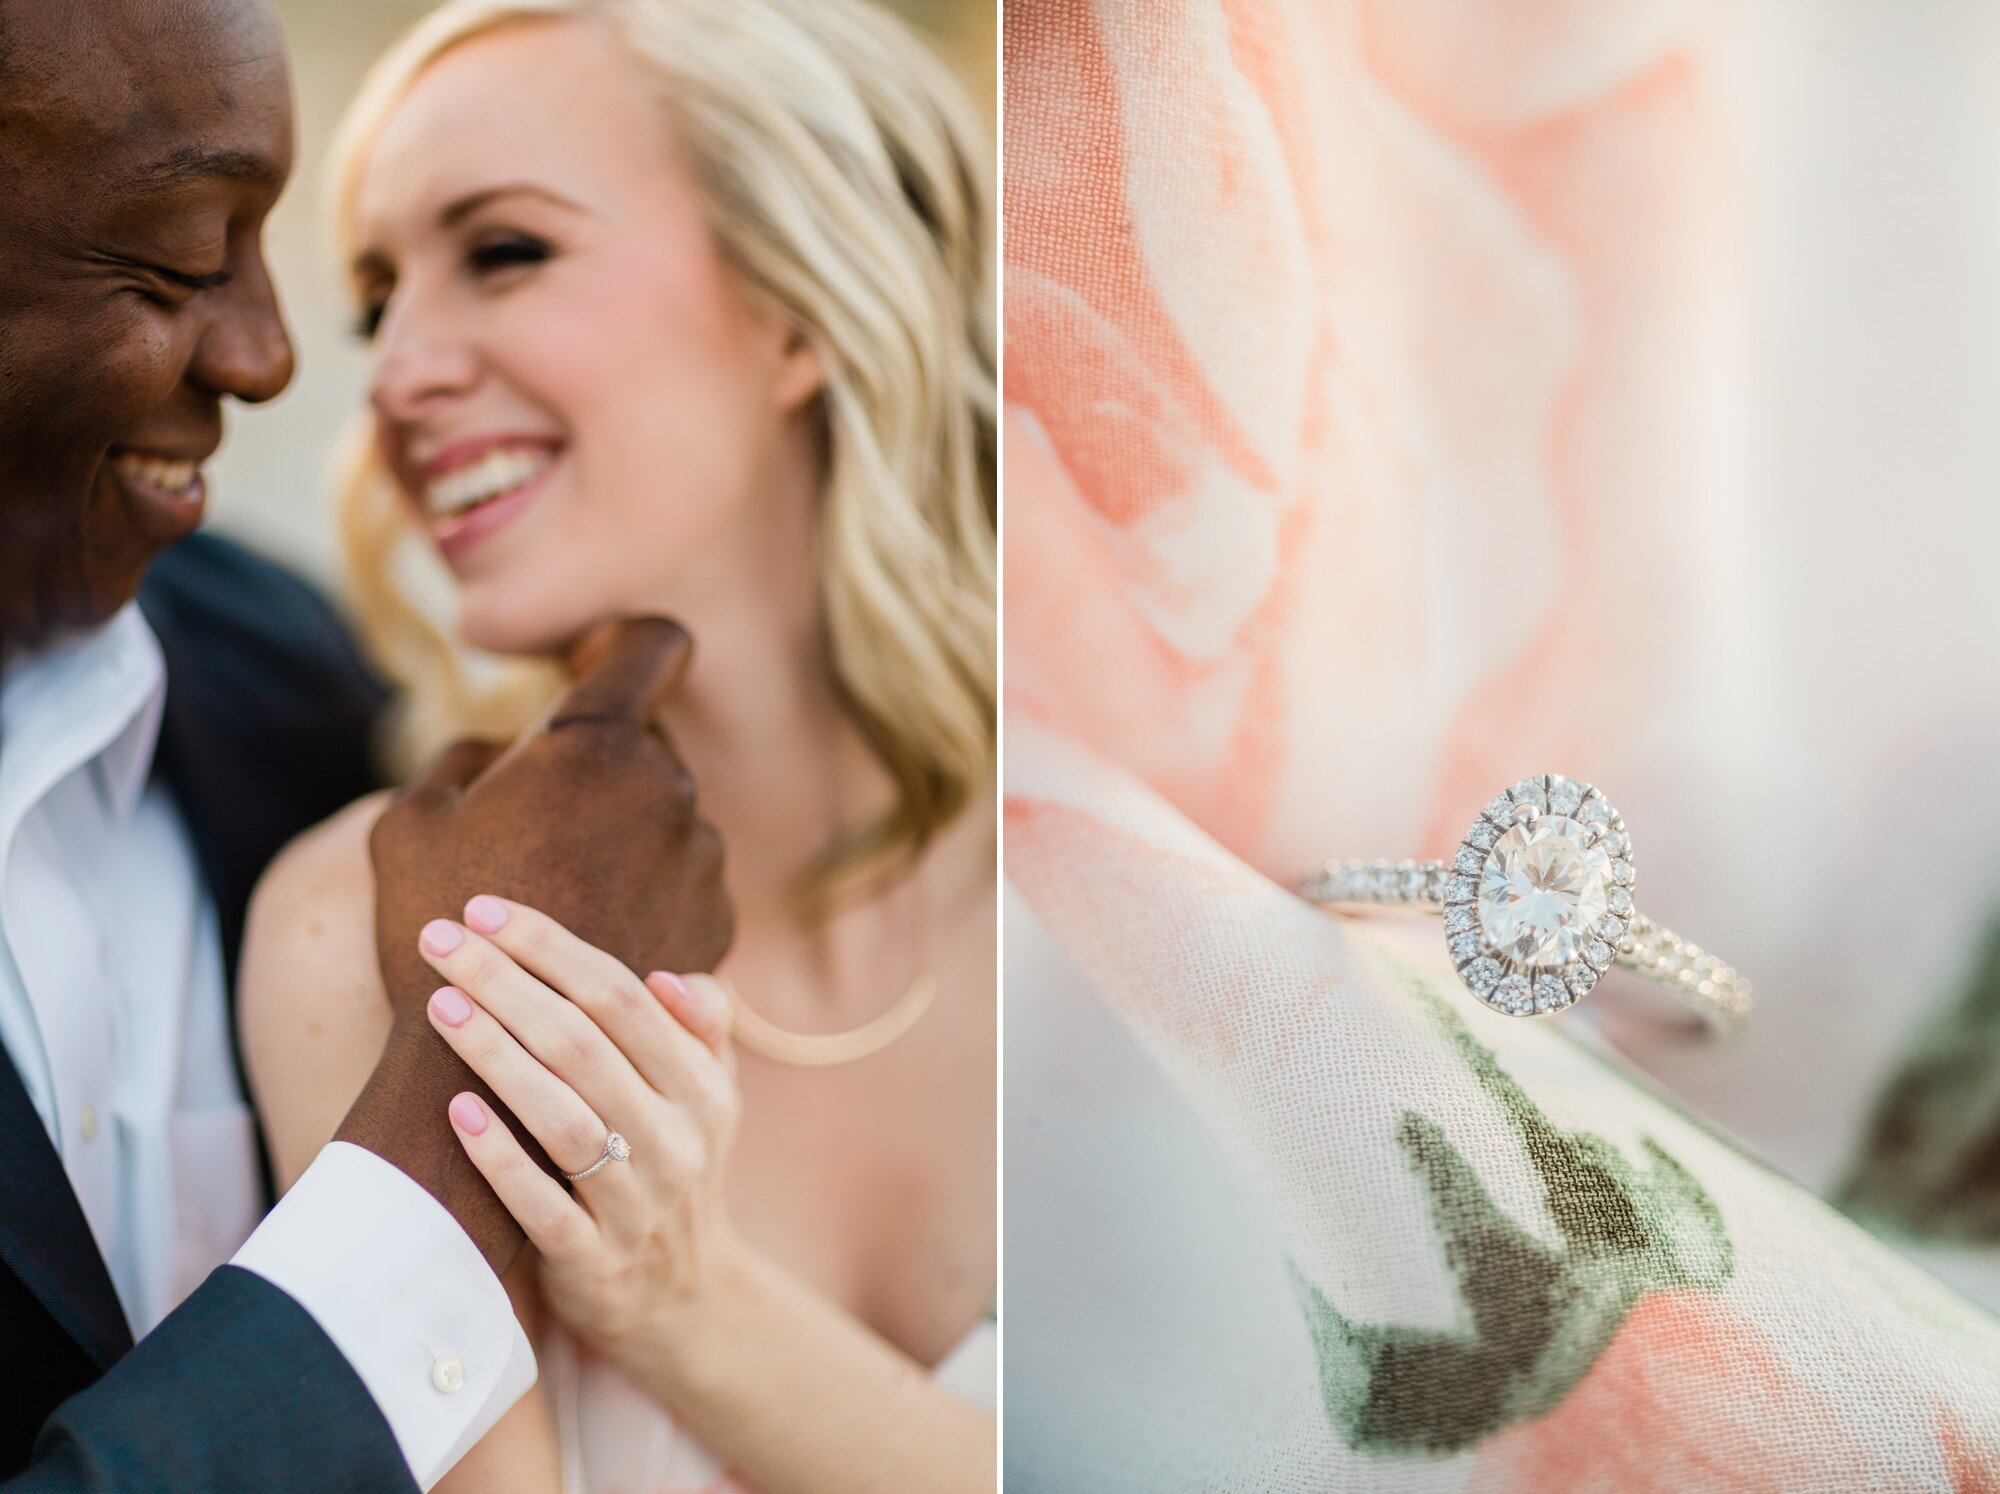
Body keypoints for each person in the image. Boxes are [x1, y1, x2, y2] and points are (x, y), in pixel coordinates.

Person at [238, 0, 997, 1489]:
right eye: (377, 303)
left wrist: (680, 1301)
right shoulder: (380, 933)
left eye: (505, 252)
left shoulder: (1141, 860)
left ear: (798, 303)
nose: (394, 378)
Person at [0, 0, 729, 1487]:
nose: (278, 363)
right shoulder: (362, 910)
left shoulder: (294, 684)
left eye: (508, 252)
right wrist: (458, 1145)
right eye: (175, 260)